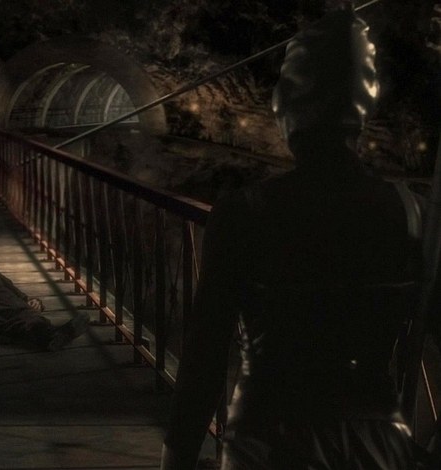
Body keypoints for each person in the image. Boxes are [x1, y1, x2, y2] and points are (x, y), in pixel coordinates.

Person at [161, 10, 423, 470]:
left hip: (269, 438)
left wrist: (177, 456)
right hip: (377, 440)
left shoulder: (246, 212)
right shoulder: (410, 212)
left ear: (288, 105)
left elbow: (205, 357)